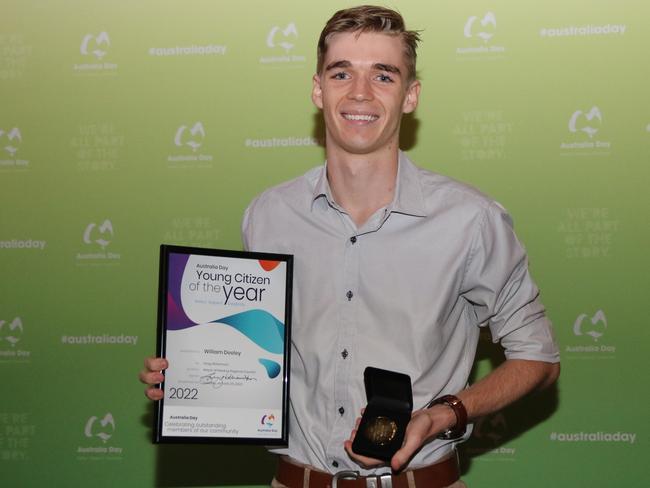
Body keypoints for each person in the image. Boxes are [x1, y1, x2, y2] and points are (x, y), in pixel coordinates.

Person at [141, 6, 560, 487]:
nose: (360, 92)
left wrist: (446, 413)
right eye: (342, 73)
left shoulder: (470, 220)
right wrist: (195, 378)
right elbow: (255, 353)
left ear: (410, 95)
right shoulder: (269, 215)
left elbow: (539, 359)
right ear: (318, 89)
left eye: (384, 75)